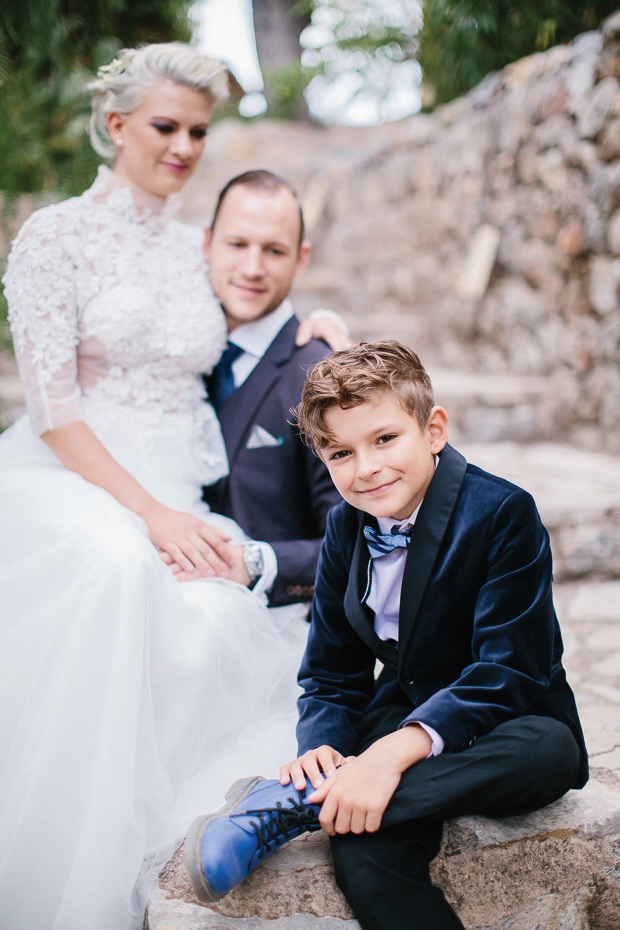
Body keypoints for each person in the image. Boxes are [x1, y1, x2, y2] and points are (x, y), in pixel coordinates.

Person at [0, 43, 335, 930]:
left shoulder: (200, 247)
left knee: (219, 614)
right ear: (116, 127)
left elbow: (254, 298)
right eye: (165, 126)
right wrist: (145, 513)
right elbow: (53, 410)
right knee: (120, 570)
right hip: (77, 473)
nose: (184, 145)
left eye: (197, 129)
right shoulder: (54, 238)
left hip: (179, 485)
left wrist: (323, 330)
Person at [184, 340, 588, 930]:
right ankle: (330, 794)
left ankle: (296, 807)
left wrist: (390, 757)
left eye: (384, 440)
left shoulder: (503, 512)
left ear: (433, 430)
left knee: (551, 752)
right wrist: (321, 747)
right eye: (340, 453)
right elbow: (330, 670)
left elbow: (509, 671)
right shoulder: (345, 526)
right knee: (363, 848)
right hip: (401, 706)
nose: (366, 468)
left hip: (512, 717)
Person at [200, 170, 342, 607]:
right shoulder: (170, 353)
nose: (252, 268)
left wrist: (257, 564)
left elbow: (356, 539)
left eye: (274, 250)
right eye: (238, 244)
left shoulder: (319, 372)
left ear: (301, 259)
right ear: (207, 244)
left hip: (266, 624)